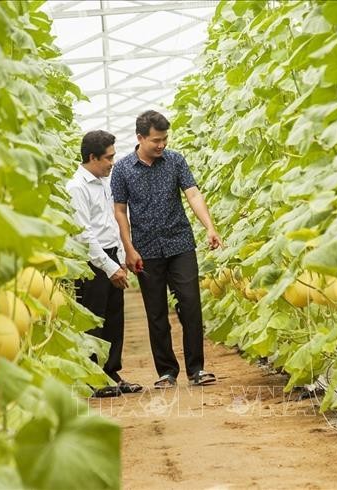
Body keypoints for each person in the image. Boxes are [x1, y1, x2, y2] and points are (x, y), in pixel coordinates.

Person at [110, 110, 222, 389]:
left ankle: (197, 369)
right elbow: (120, 211)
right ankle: (167, 372)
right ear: (140, 138)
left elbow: (193, 193)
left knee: (190, 304)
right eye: (156, 140)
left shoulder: (175, 160)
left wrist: (209, 226)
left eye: (165, 139)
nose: (162, 145)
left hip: (180, 243)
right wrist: (129, 248)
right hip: (146, 249)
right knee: (156, 312)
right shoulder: (122, 169)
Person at [66, 129, 142, 397]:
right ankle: (93, 378)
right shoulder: (76, 187)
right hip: (91, 261)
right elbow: (84, 234)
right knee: (94, 319)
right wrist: (109, 267)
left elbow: (112, 223)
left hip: (109, 255)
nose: (112, 162)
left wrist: (120, 258)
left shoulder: (104, 182)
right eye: (108, 158)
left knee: (113, 319)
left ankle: (111, 373)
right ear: (92, 157)